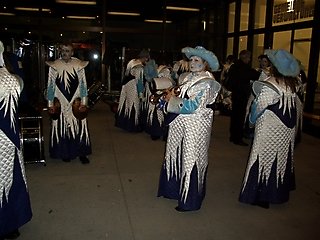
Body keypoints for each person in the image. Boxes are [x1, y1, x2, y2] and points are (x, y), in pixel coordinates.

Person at [157, 46, 221, 212]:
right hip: (179, 122)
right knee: (175, 153)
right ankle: (173, 190)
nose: (192, 63)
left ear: (205, 64)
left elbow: (193, 106)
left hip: (196, 125)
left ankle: (190, 201)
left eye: (197, 60)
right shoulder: (187, 77)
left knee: (191, 158)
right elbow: (181, 97)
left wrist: (171, 100)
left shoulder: (207, 83)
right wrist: (168, 97)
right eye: (191, 59)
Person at [239, 49, 302, 209]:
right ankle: (277, 192)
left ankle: (262, 195)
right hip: (286, 129)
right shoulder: (292, 85)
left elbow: (259, 106)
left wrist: (251, 121)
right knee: (281, 158)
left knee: (264, 157)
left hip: (269, 127)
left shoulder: (271, 84)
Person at [0, 41, 32, 239]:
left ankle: (9, 221)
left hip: (7, 138)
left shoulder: (10, 75)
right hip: (9, 136)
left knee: (9, 176)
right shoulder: (11, 77)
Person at [46, 42, 91, 164]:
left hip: (75, 100)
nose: (65, 53)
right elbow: (50, 86)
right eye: (63, 50)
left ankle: (82, 153)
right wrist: (50, 104)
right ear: (60, 51)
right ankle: (64, 152)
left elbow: (83, 85)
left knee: (80, 126)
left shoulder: (79, 65)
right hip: (60, 100)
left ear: (72, 52)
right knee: (62, 126)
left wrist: (84, 102)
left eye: (68, 50)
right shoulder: (54, 65)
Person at [228, 50, 260, 146]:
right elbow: (255, 75)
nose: (249, 60)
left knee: (234, 116)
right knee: (240, 116)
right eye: (249, 58)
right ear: (245, 57)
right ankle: (237, 138)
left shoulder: (234, 66)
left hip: (235, 93)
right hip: (241, 94)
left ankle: (233, 136)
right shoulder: (244, 68)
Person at [115, 49, 150, 132]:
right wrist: (141, 94)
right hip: (133, 86)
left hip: (126, 85)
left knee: (126, 105)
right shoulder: (140, 67)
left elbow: (126, 73)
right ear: (145, 58)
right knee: (134, 105)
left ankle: (124, 124)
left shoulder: (132, 62)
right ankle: (132, 127)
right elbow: (139, 81)